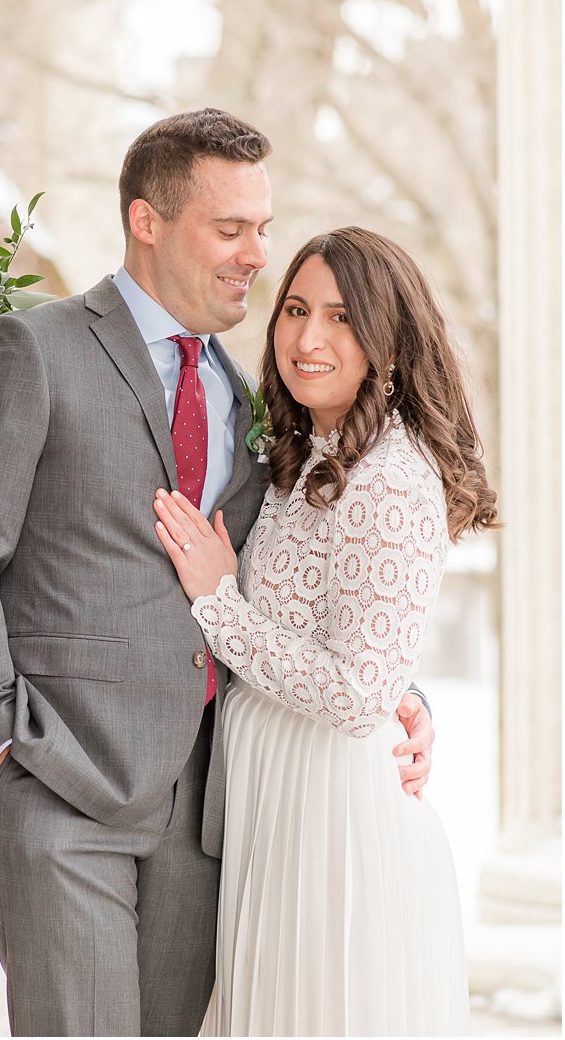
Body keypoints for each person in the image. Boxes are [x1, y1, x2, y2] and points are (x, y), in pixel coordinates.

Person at [0, 109, 437, 1035]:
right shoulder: (33, 351)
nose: (254, 255)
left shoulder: (249, 393)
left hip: (207, 816)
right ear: (147, 221)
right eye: (229, 230)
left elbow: (293, 580)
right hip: (55, 786)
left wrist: (397, 687)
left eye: (262, 229)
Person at [152, 227, 492, 1034]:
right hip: (278, 803)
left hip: (336, 826)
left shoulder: (394, 479)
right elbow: (352, 642)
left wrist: (217, 604)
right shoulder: (307, 449)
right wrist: (407, 691)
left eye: (342, 318)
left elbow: (355, 698)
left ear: (387, 340)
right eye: (296, 309)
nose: (309, 338)